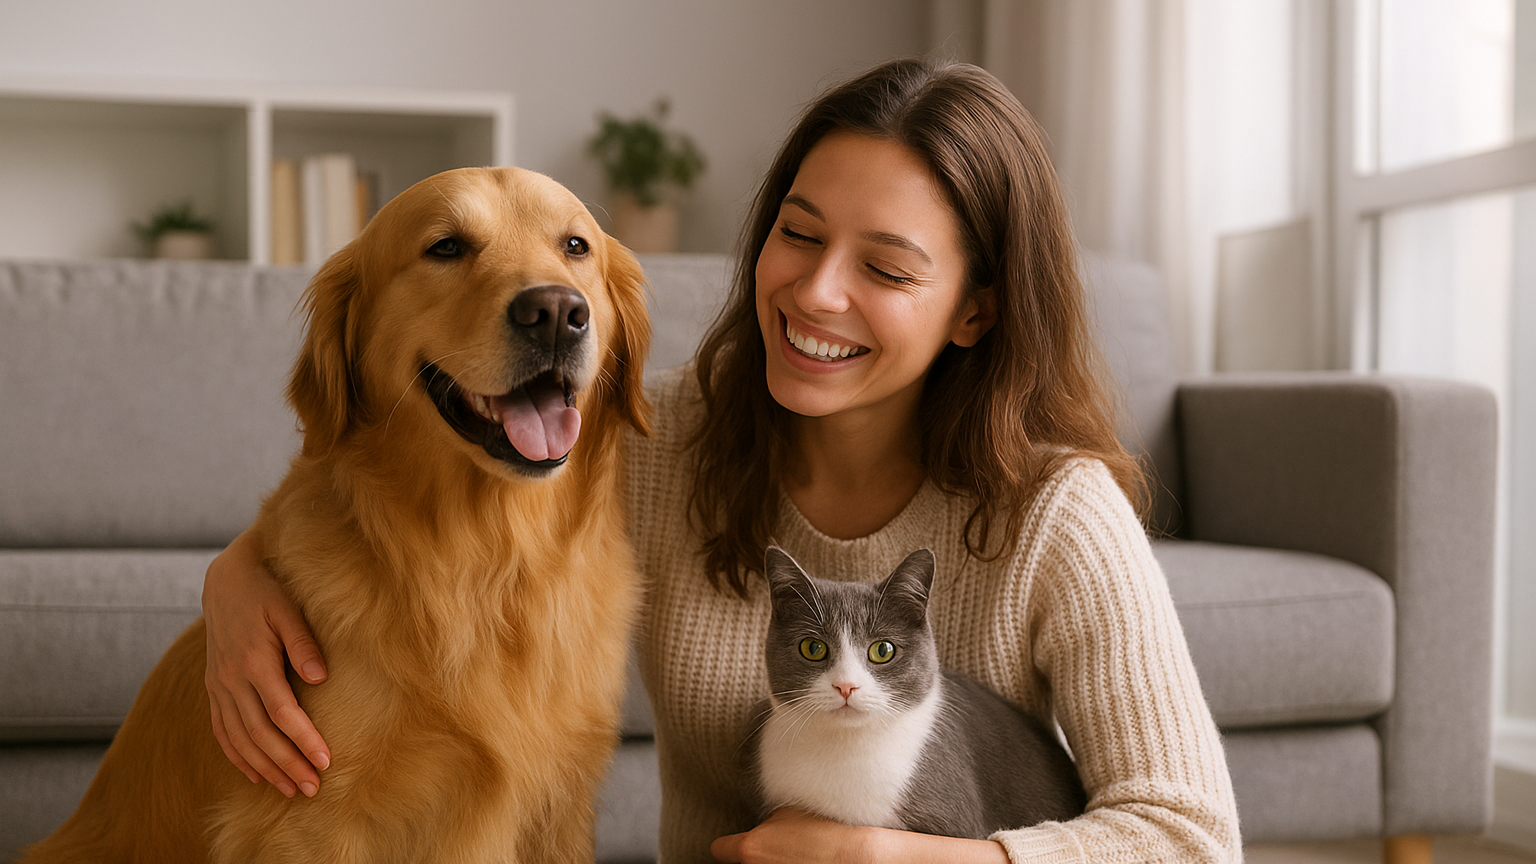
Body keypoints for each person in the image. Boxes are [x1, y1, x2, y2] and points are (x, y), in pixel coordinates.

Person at [201, 57, 1241, 863]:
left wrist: (915, 856)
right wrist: (236, 580)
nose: (816, 292)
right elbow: (377, 490)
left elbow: (1192, 835)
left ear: (975, 309)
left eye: (884, 267)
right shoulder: (652, 450)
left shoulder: (1060, 511)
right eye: (798, 234)